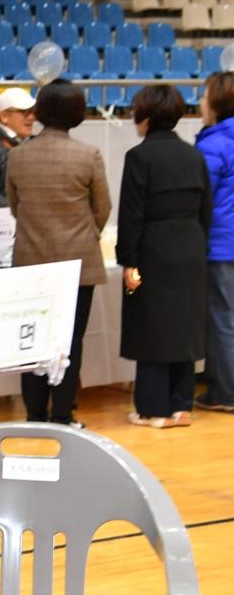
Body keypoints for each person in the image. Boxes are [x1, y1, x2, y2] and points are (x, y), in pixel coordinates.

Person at [6, 79, 112, 428]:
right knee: (70, 341)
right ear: (77, 113)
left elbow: (14, 207)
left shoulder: (18, 155)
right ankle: (63, 415)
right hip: (78, 264)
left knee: (32, 340)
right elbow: (103, 209)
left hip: (30, 262)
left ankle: (34, 414)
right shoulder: (88, 155)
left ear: (40, 112)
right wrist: (82, 234)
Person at [117, 86, 211, 428]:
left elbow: (131, 216)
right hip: (191, 245)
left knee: (152, 326)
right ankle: (181, 406)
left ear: (145, 117)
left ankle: (152, 409)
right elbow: (206, 211)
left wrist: (128, 259)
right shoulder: (194, 155)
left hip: (153, 248)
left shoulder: (139, 157)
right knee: (185, 327)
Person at [196, 71, 234, 412]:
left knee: (223, 318)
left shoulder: (214, 143)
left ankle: (226, 392)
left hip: (222, 245)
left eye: (205, 95)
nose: (200, 101)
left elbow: (199, 196)